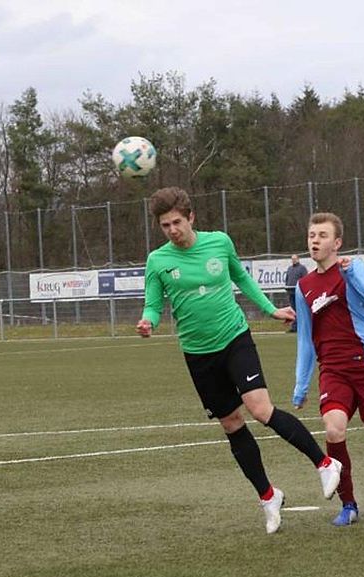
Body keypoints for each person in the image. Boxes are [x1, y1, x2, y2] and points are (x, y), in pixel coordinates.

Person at [136, 187, 342, 535]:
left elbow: (242, 278)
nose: (172, 230)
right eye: (165, 225)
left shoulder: (219, 242)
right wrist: (148, 322)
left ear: (191, 218)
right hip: (198, 354)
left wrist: (270, 309)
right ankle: (268, 496)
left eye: (176, 222)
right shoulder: (158, 261)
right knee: (232, 424)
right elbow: (153, 304)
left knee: (261, 410)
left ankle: (324, 463)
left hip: (235, 339)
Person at [292, 212, 364, 527]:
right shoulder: (304, 286)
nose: (315, 240)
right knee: (333, 429)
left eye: (322, 235)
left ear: (337, 243)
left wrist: (352, 275)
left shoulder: (352, 269)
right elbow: (305, 338)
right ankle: (349, 504)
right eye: (312, 234)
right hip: (334, 371)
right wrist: (301, 385)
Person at [283, 254, 308, 333]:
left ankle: (301, 327)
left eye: (295, 259)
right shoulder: (290, 269)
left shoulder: (302, 268)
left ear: (298, 259)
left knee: (300, 310)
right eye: (292, 259)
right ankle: (294, 327)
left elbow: (305, 279)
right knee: (293, 310)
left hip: (299, 293)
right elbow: (287, 279)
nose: (293, 260)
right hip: (291, 292)